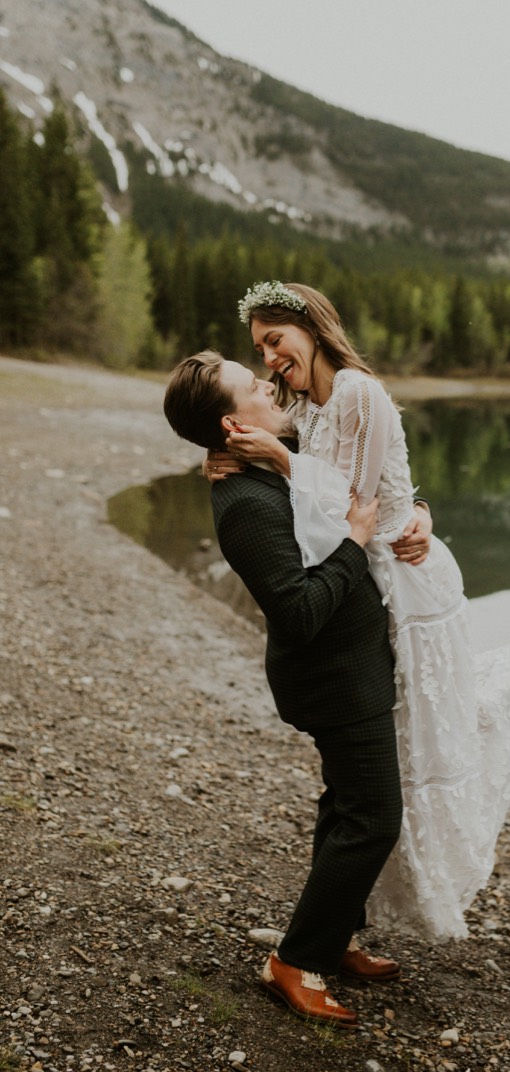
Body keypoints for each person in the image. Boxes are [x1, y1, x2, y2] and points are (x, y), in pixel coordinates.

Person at [203, 280, 510, 943]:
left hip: (404, 582)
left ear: (311, 327)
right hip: (373, 578)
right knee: (409, 741)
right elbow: (311, 479)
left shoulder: (354, 391)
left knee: (433, 732)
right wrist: (224, 455)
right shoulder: (305, 401)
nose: (269, 358)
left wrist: (290, 464)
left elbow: (348, 504)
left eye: (274, 340)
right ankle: (332, 932)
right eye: (259, 347)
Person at [163, 354, 401, 1027]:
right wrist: (355, 541)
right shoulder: (242, 505)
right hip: (332, 680)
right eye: (253, 383)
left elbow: (340, 476)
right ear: (233, 421)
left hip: (352, 665)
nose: (270, 383)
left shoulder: (266, 460)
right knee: (375, 818)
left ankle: (333, 937)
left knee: (347, 805)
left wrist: (413, 518)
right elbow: (297, 612)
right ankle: (295, 962)